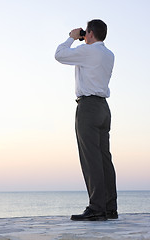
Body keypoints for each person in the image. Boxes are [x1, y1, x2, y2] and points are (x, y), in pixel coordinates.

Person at [55, 19, 118, 221]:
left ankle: (96, 208)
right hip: (103, 108)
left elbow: (59, 55)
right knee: (104, 159)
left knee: (90, 159)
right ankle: (110, 208)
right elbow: (90, 54)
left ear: (89, 33)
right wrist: (85, 40)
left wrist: (71, 38)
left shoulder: (88, 52)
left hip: (88, 108)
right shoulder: (108, 54)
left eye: (86, 32)